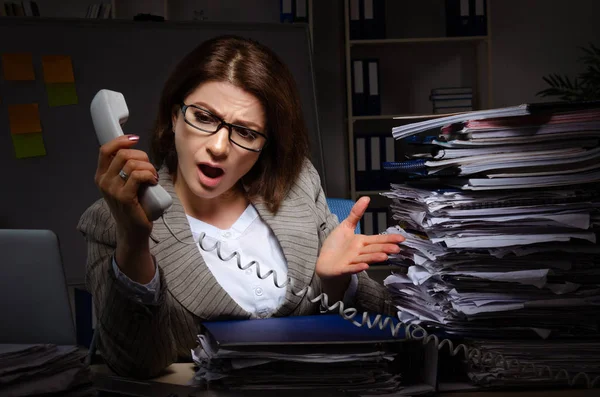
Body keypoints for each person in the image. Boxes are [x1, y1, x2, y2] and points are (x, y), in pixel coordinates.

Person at [77, 35, 405, 379]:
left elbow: (390, 325)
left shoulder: (298, 186)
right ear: (174, 117)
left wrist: (338, 284)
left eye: (246, 133)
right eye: (203, 117)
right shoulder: (110, 220)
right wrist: (133, 240)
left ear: (265, 144)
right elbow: (136, 363)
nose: (219, 147)